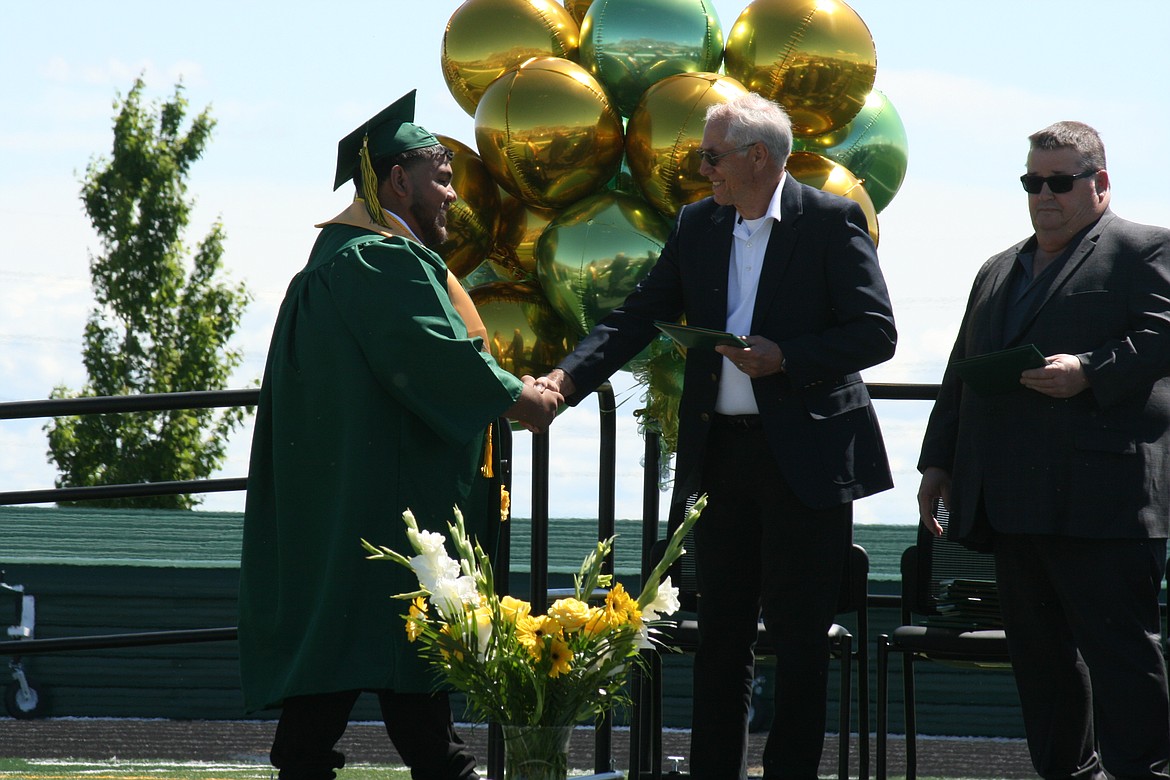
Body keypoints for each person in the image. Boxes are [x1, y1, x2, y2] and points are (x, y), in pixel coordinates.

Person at [537, 92, 896, 779]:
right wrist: (562, 382)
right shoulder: (698, 224)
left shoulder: (829, 220)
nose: (702, 170)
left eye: (711, 156)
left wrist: (784, 355)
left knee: (799, 644)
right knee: (719, 640)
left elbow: (875, 333)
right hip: (721, 457)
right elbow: (637, 315)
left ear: (758, 157)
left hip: (807, 462)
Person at [237, 90, 562, 780]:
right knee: (390, 662)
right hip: (382, 506)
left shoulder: (339, 259)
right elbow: (438, 359)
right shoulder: (379, 261)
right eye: (441, 177)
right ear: (396, 181)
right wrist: (521, 397)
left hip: (354, 496)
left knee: (366, 671)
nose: (454, 195)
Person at [917, 121, 1170, 779]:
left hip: (1104, 502)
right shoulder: (997, 269)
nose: (1044, 195)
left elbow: (1162, 336)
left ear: (1100, 183)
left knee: (1121, 658)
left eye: (1060, 181)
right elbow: (961, 370)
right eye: (1033, 182)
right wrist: (937, 461)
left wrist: (1089, 369)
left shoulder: (1145, 249)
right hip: (1012, 500)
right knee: (1041, 664)